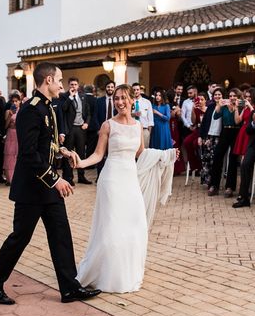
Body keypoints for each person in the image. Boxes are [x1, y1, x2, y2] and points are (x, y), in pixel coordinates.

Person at [0, 62, 101, 305]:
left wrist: (64, 152)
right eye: (59, 79)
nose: (61, 84)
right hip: (31, 189)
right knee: (20, 237)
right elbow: (28, 154)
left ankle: (69, 288)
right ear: (47, 80)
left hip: (47, 187)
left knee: (61, 234)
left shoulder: (48, 107)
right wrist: (55, 180)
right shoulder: (31, 109)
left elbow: (46, 146)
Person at [63, 84, 176, 293]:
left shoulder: (137, 126)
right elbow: (98, 155)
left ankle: (127, 272)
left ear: (132, 100)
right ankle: (106, 274)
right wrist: (81, 163)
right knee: (112, 227)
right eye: (116, 98)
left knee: (135, 225)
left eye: (123, 98)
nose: (120, 102)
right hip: (112, 180)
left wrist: (165, 155)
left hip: (130, 180)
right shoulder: (108, 125)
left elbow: (141, 153)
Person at [207, 88, 242, 198]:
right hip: (225, 131)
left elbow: (239, 120)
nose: (232, 97)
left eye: (234, 96)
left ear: (238, 97)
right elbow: (215, 116)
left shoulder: (241, 107)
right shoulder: (224, 106)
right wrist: (219, 104)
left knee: (232, 159)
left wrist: (236, 108)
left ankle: (230, 187)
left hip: (236, 132)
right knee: (217, 155)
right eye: (230, 96)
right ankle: (214, 185)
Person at [58, 77, 92, 185]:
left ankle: (81, 176)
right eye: (71, 84)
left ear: (78, 86)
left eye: (75, 84)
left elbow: (88, 112)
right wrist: (70, 98)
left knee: (81, 152)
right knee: (69, 154)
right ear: (69, 85)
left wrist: (87, 122)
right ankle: (68, 178)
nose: (73, 86)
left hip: (81, 128)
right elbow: (63, 109)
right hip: (70, 128)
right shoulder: (64, 96)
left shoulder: (83, 96)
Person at [199, 88, 222, 186]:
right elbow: (204, 123)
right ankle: (207, 181)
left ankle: (214, 182)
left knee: (215, 160)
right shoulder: (210, 106)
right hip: (209, 136)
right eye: (215, 94)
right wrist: (201, 136)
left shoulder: (225, 107)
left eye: (219, 94)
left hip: (219, 136)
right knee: (206, 159)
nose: (217, 96)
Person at [233, 88, 255, 160]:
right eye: (246, 97)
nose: (247, 98)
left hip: (250, 132)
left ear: (254, 96)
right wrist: (236, 107)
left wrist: (250, 106)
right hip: (243, 131)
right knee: (242, 157)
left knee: (247, 156)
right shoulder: (245, 107)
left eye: (249, 97)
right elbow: (237, 121)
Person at [3, 92, 21, 184]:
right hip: (10, 134)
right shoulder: (7, 111)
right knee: (9, 155)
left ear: (20, 102)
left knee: (18, 155)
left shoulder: (23, 111)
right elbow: (5, 126)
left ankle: (18, 178)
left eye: (16, 101)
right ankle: (10, 179)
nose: (14, 103)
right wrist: (10, 116)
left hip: (19, 135)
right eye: (13, 101)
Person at [132, 82, 153, 148]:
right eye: (134, 90)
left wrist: (149, 132)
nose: (136, 91)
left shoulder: (147, 102)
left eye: (137, 90)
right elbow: (126, 114)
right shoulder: (129, 102)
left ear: (140, 90)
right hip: (133, 129)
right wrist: (133, 114)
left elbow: (150, 119)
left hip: (144, 130)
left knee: (144, 151)